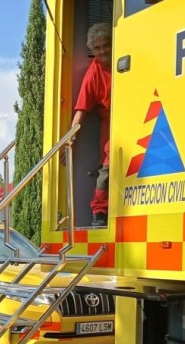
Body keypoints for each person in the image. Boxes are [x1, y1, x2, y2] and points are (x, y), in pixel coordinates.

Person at [72, 22, 112, 227]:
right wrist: (70, 140)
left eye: (106, 45)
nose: (103, 50)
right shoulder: (93, 72)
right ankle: (100, 212)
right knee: (107, 166)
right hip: (112, 125)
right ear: (92, 50)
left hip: (142, 115)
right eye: (97, 48)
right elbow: (82, 109)